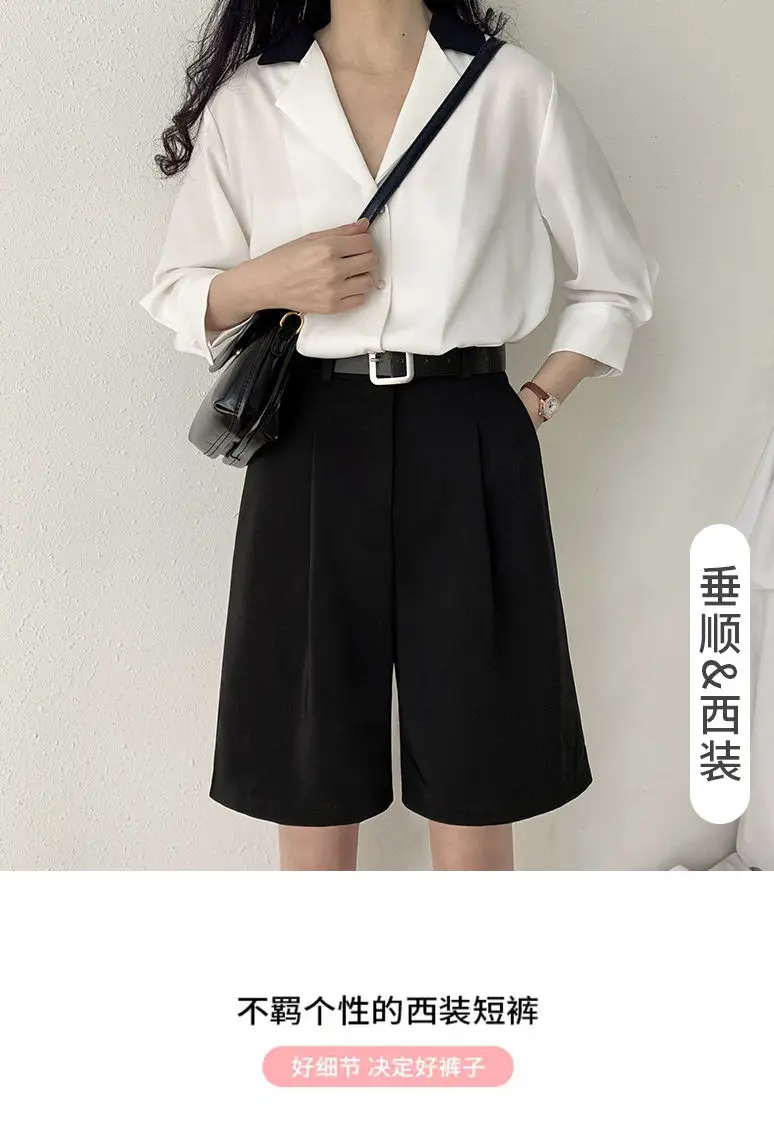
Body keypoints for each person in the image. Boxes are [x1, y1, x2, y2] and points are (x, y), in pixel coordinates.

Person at [139, 0, 659, 871]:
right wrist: (273, 279)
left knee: (477, 769)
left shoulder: (508, 88)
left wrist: (537, 398)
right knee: (308, 773)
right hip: (307, 437)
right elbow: (178, 291)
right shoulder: (255, 100)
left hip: (470, 430)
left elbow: (617, 280)